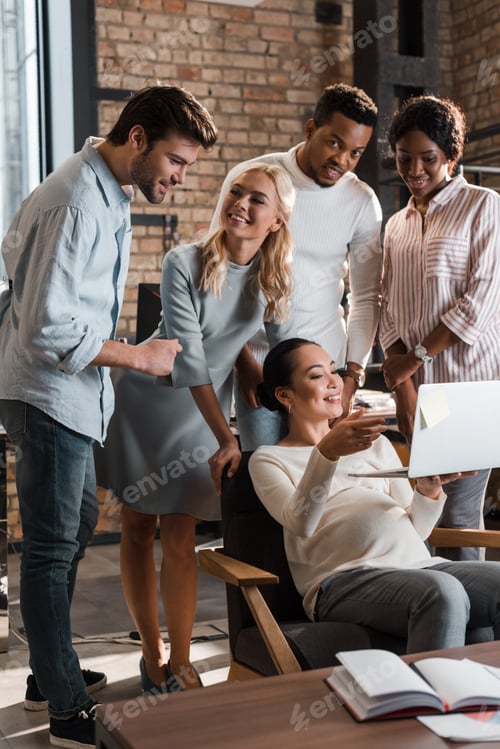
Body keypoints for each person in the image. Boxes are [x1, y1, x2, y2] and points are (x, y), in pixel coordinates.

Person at [0, 84, 217, 749]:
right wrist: (140, 357)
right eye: (176, 162)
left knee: (75, 524)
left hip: (65, 391)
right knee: (51, 542)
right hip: (46, 389)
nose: (179, 178)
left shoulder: (103, 189)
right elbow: (47, 327)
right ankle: (64, 708)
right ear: (138, 139)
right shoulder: (75, 201)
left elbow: (13, 253)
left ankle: (48, 669)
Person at [99, 163, 295, 695]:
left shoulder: (272, 279)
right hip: (149, 405)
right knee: (139, 527)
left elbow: (285, 351)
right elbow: (189, 362)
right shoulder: (183, 260)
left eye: (258, 200)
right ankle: (151, 654)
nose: (242, 204)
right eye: (236, 192)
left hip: (201, 416)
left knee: (182, 536)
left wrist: (319, 387)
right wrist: (227, 436)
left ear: (277, 221)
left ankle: (182, 661)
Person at [248, 338, 500, 652]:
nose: (334, 383)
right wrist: (326, 454)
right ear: (285, 395)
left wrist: (429, 488)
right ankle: (428, 700)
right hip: (343, 581)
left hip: (419, 567)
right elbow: (302, 523)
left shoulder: (375, 443)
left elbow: (417, 529)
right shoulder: (269, 459)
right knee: (442, 592)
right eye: (316, 376)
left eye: (334, 371)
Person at [210, 83, 382, 450]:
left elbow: (365, 298)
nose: (343, 160)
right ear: (310, 130)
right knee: (268, 480)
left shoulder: (362, 201)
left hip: (327, 368)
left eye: (356, 152)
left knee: (326, 484)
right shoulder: (252, 178)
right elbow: (217, 277)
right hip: (258, 364)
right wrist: (243, 364)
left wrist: (351, 374)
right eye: (334, 143)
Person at [379, 95, 500, 561]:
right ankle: (440, 619)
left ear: (451, 154)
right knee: (425, 514)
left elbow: (482, 299)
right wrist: (403, 387)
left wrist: (417, 358)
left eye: (428, 158)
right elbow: (388, 305)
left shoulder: (483, 205)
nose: (414, 169)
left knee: (460, 518)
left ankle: (476, 632)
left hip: (469, 389)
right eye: (404, 158)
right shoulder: (396, 225)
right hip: (416, 391)